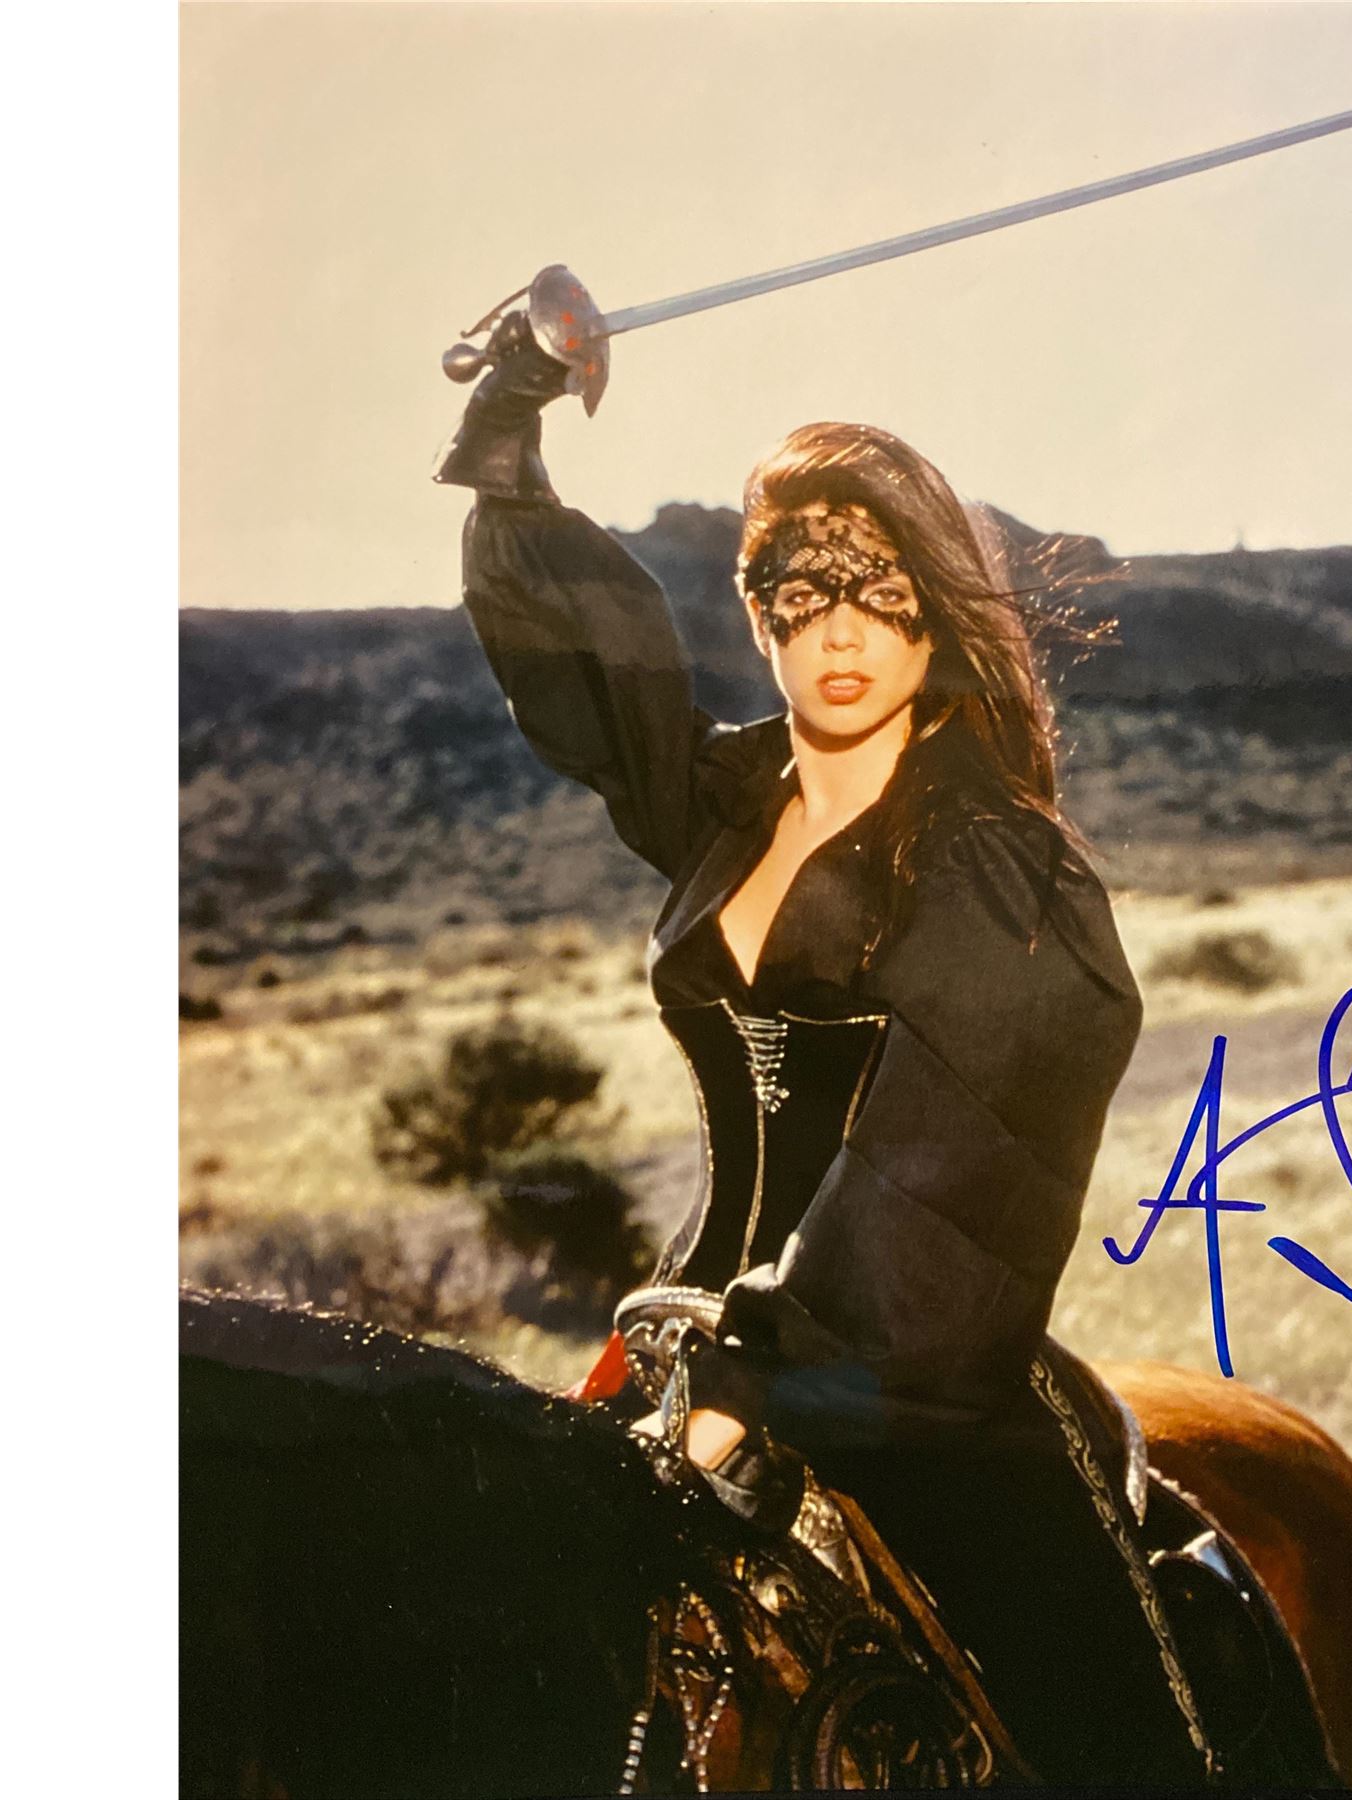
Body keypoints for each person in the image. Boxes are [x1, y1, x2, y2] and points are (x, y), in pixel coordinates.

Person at [434, 321, 1214, 1785]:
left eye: (879, 593)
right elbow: (592, 671)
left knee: (1112, 1754)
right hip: (681, 1345)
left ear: (934, 620)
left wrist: (764, 1383)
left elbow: (956, 1153)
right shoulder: (722, 801)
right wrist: (517, 410)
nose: (841, 633)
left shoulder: (996, 862)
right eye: (803, 594)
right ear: (761, 618)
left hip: (909, 1362)